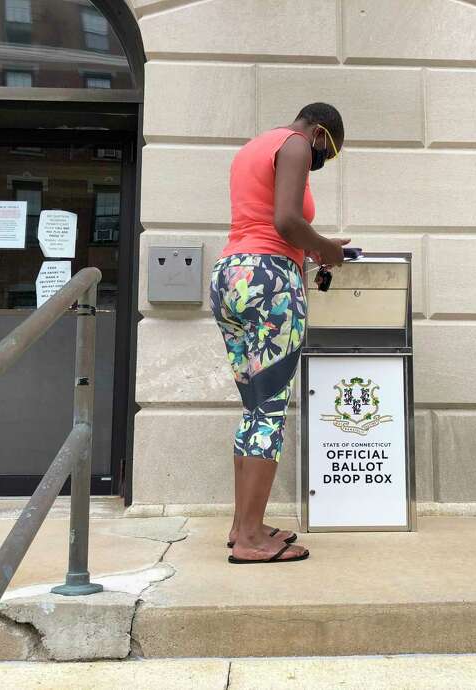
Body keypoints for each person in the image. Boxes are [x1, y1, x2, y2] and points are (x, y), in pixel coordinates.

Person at [210, 103, 348, 564]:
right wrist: (329, 251)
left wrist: (312, 251)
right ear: (320, 133)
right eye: (325, 153)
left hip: (232, 276)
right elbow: (286, 222)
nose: (319, 163)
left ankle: (242, 524)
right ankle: (251, 541)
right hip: (270, 281)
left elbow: (266, 223)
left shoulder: (254, 147)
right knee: (269, 411)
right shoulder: (293, 144)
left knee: (253, 407)